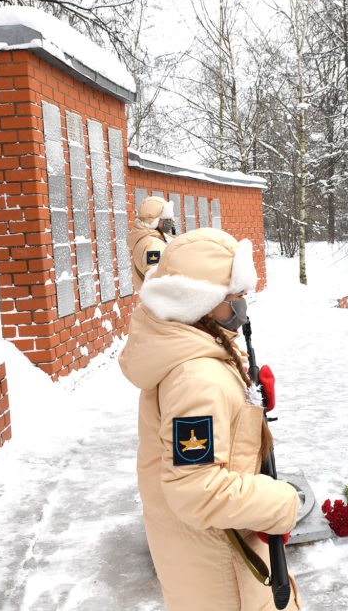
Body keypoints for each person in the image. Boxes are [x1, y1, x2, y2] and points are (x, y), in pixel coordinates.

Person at [118, 228, 302, 610]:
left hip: (213, 549)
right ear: (198, 302)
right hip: (219, 565)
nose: (242, 305)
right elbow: (196, 488)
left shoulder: (194, 344)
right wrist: (280, 503)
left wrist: (248, 401)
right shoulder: (197, 378)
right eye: (233, 296)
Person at [127, 195, 175, 290]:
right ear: (154, 221)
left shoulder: (147, 240)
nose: (171, 222)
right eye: (166, 219)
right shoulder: (153, 244)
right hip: (159, 302)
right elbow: (157, 280)